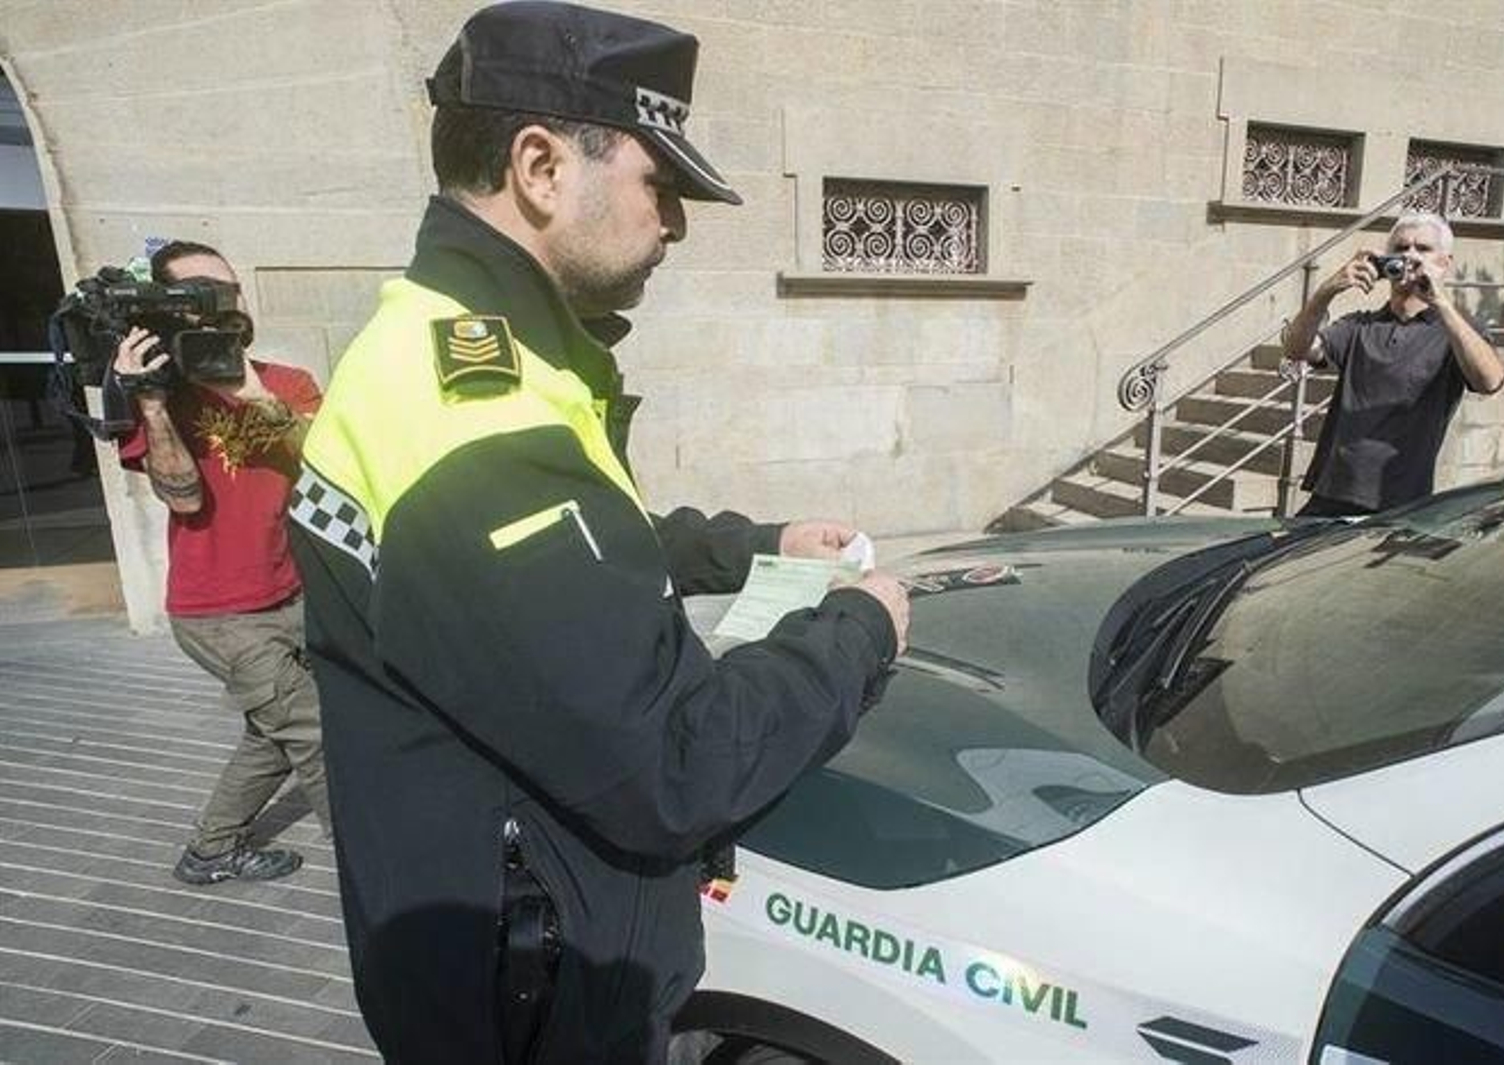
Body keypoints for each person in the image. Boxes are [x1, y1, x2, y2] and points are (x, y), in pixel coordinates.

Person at [287, 3, 911, 1061]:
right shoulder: (477, 423)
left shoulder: (456, 351)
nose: (673, 223)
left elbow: (561, 557)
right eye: (656, 185)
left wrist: (749, 546)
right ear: (540, 166)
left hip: (498, 945)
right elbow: (675, 768)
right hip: (532, 997)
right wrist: (859, 632)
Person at [115, 240, 330, 885]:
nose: (220, 307)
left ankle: (211, 849)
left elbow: (329, 460)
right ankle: (380, 878)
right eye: (198, 296)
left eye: (228, 292)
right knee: (316, 733)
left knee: (273, 737)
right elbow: (181, 496)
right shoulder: (159, 399)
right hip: (219, 613)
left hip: (293, 594)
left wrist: (249, 387)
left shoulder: (286, 383)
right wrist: (151, 402)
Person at [1283, 212, 1504, 516]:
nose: (1410, 256)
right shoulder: (1359, 326)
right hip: (1331, 492)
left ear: (1444, 263)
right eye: (1401, 248)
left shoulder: (1454, 333)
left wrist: (1440, 302)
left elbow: (1490, 381)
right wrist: (1327, 290)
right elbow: (1296, 349)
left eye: (1423, 249)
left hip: (1399, 504)